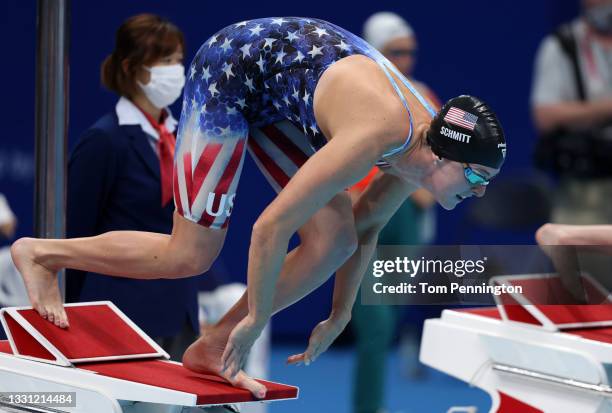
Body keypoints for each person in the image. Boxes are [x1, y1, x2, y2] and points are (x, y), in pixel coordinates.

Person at [11, 17, 506, 398]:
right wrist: (255, 320)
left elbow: (367, 226)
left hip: (284, 88)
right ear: (444, 156)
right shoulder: (378, 134)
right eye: (478, 177)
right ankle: (42, 253)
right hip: (232, 70)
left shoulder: (416, 150)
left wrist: (339, 312)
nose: (480, 192)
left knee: (337, 237)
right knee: (190, 254)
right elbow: (271, 226)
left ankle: (209, 348)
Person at [64, 14, 200, 360]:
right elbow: (74, 236)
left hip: (179, 311)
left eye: (179, 60)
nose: (176, 70)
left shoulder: (185, 135)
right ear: (133, 67)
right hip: (118, 314)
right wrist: (74, 317)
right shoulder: (103, 140)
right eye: (165, 61)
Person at [350, 12, 440, 413]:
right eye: (395, 52)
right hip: (363, 214)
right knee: (374, 325)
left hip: (407, 221)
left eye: (410, 52)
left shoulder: (426, 97)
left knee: (384, 324)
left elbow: (449, 160)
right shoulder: (350, 92)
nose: (405, 60)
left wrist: (425, 189)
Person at [532, 0, 612, 225]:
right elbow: (544, 116)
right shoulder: (561, 46)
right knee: (582, 258)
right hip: (584, 193)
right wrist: (605, 109)